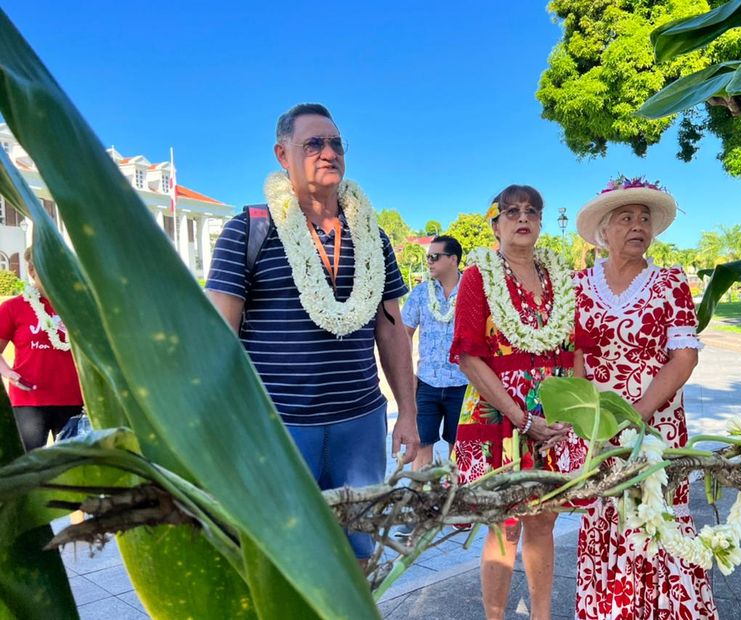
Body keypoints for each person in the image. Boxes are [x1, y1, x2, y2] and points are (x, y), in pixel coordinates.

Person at [205, 102, 419, 561]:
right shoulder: (248, 230)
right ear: (283, 155)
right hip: (278, 429)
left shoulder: (373, 237)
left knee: (360, 555)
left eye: (336, 143)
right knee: (280, 560)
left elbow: (393, 331)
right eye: (314, 144)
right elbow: (218, 336)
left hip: (360, 429)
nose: (328, 152)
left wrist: (408, 412)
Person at [572, 177, 717, 619]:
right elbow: (573, 356)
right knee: (603, 515)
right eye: (626, 217)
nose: (638, 226)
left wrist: (634, 416)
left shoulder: (671, 283)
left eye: (644, 219)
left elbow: (683, 358)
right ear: (604, 230)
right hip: (598, 433)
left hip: (655, 428)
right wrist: (589, 421)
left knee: (659, 517)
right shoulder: (577, 285)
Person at [450, 185, 585, 620]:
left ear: (541, 222)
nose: (522, 218)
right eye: (511, 211)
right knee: (504, 523)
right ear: (496, 224)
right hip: (500, 416)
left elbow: (575, 351)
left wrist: (571, 413)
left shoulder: (559, 278)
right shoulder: (478, 275)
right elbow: (469, 356)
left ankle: (542, 615)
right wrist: (521, 418)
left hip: (555, 418)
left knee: (543, 520)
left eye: (531, 211)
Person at [0, 246, 83, 451]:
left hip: (73, 400)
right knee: (26, 463)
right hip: (29, 402)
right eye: (45, 267)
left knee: (70, 466)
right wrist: (8, 372)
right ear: (31, 271)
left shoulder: (78, 308)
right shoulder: (13, 308)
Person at [400, 236, 468, 471]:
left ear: (453, 259)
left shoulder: (472, 291)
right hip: (426, 383)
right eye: (427, 257)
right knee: (420, 445)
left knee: (459, 448)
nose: (428, 261)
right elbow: (404, 334)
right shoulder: (420, 294)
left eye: (434, 257)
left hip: (464, 383)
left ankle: (456, 498)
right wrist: (409, 374)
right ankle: (421, 501)